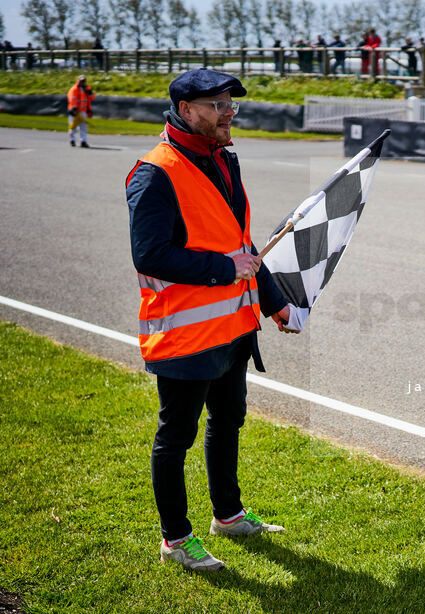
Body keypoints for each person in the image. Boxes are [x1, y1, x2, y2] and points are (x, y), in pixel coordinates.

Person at [126, 68, 299, 572]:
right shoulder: (154, 171)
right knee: (175, 437)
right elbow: (150, 253)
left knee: (228, 422)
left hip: (234, 328)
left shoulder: (224, 160)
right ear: (186, 110)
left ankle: (227, 515)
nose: (229, 114)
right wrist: (224, 270)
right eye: (218, 105)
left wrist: (272, 300)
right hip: (184, 331)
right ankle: (175, 540)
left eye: (231, 104)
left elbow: (239, 241)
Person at [67, 75, 95, 148]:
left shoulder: (87, 89)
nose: (83, 82)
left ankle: (83, 141)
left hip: (83, 111)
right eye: (81, 81)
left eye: (84, 81)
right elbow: (72, 99)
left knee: (83, 127)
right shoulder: (74, 89)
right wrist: (74, 109)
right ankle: (72, 140)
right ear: (78, 81)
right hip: (75, 111)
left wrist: (90, 92)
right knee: (73, 126)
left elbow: (92, 98)